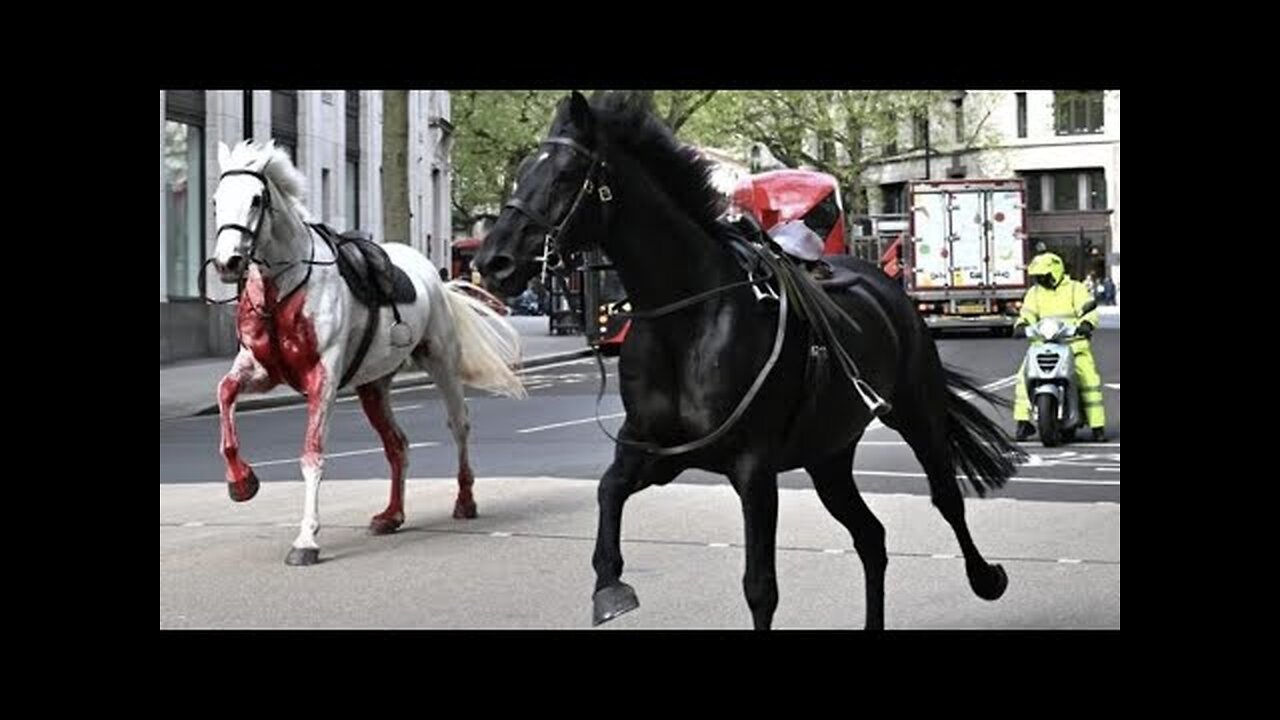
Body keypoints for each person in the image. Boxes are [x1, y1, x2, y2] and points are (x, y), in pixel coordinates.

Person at [1013, 251, 1107, 442]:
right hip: (1042, 345)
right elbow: (1027, 313)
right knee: (1023, 378)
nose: (1040, 279)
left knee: (1089, 380)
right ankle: (1023, 423)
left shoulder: (1075, 289)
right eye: (1037, 276)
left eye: (1043, 275)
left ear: (1055, 271)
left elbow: (1089, 310)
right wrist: (1021, 325)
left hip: (1074, 345)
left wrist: (1087, 324)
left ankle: (1098, 427)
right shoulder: (1035, 293)